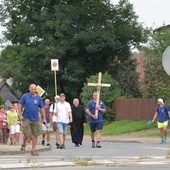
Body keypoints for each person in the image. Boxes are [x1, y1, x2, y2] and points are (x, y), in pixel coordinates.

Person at [18, 84, 46, 156]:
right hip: (26, 117)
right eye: (32, 89)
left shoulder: (38, 98)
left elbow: (42, 108)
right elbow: (20, 104)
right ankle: (24, 144)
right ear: (29, 89)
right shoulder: (25, 96)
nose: (33, 91)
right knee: (27, 134)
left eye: (34, 89)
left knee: (35, 135)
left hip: (35, 118)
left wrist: (44, 118)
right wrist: (20, 115)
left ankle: (33, 150)